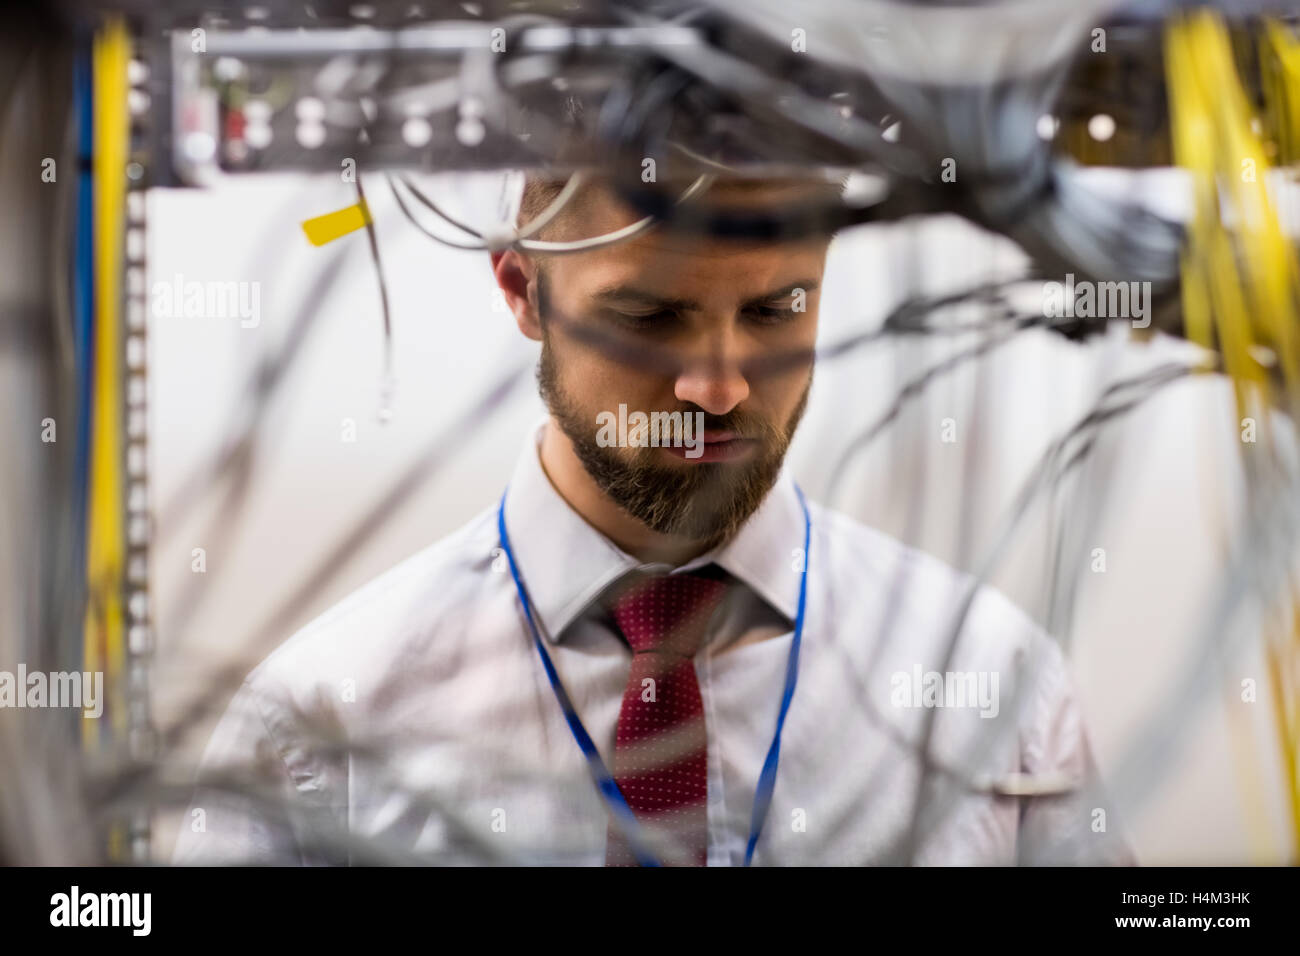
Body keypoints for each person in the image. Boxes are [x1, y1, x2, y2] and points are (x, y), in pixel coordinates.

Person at [174, 170, 1133, 866]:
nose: (717, 388)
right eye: (647, 318)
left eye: (774, 312)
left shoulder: (991, 684)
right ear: (522, 292)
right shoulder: (322, 720)